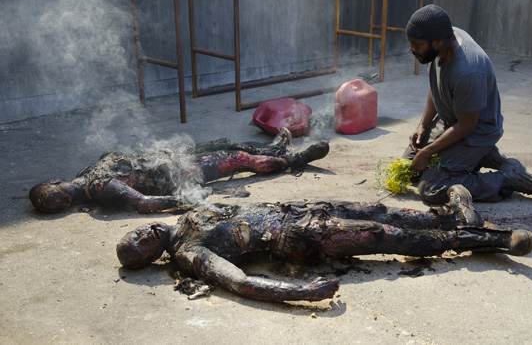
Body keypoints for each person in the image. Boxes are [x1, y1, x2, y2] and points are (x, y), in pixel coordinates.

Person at [117, 185, 532, 302]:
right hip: (301, 237)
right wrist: (299, 292)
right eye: (136, 247)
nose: (139, 236)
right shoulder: (189, 252)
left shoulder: (184, 216)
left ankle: (453, 214)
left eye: (131, 234)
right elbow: (238, 281)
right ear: (149, 260)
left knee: (380, 211)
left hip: (301, 208)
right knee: (385, 236)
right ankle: (488, 240)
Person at [403, 4, 532, 204]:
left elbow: (467, 125)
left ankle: (507, 179)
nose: (411, 49)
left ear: (437, 41)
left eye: (416, 44)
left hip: (476, 131)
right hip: (453, 120)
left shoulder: (467, 70)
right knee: (408, 168)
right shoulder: (443, 39)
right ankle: (484, 158)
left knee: (431, 188)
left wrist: (428, 151)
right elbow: (436, 86)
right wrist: (422, 124)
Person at [29, 128, 329, 214]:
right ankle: (294, 160)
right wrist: (196, 197)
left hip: (169, 157)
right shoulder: (99, 186)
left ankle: (277, 149)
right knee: (238, 159)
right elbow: (144, 202)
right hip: (179, 174)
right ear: (57, 184)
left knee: (224, 142)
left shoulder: (87, 173)